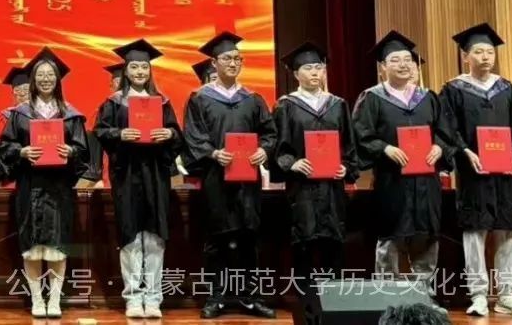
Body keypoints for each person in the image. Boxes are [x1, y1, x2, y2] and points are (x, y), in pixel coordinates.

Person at [441, 23, 512, 317]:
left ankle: (507, 294)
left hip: (504, 171)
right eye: (479, 52)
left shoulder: (508, 88)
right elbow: (448, 130)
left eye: (490, 52)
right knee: (475, 230)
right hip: (473, 170)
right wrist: (465, 151)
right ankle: (479, 294)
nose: (485, 57)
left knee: (508, 228)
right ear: (465, 56)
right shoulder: (453, 89)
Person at [182, 32, 276, 319]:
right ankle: (216, 297)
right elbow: (193, 136)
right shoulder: (200, 98)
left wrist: (263, 150)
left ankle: (251, 297)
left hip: (248, 179)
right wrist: (213, 153)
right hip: (216, 178)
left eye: (237, 59)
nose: (233, 63)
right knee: (217, 238)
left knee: (249, 236)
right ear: (214, 63)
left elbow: (270, 133)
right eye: (227, 58)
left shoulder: (253, 99)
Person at [352, 31, 452, 299]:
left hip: (426, 182)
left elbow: (445, 132)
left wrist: (439, 147)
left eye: (408, 59)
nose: (403, 65)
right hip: (392, 181)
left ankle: (423, 296)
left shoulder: (428, 97)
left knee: (426, 236)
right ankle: (388, 297)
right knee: (391, 237)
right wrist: (385, 148)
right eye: (395, 60)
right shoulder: (372, 98)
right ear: (382, 67)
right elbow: (361, 135)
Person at [0, 48, 89, 317]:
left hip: (59, 188)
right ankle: (36, 298)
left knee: (57, 246)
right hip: (30, 185)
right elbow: (5, 146)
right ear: (33, 80)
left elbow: (83, 151)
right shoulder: (20, 114)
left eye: (50, 75)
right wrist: (21, 152)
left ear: (58, 80)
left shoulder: (70, 114)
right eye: (40, 75)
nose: (45, 79)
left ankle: (54, 299)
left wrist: (71, 151)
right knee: (32, 247)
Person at [269, 42, 358, 323]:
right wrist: (292, 164)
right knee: (304, 245)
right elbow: (277, 147)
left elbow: (349, 145)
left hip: (332, 188)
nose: (315, 72)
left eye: (319, 67)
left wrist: (346, 167)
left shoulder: (338, 105)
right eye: (308, 68)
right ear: (296, 74)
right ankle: (306, 308)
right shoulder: (286, 106)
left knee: (334, 244)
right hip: (302, 190)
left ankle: (334, 305)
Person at [94, 39, 182, 319]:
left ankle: (153, 297)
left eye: (144, 66)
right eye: (134, 67)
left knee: (154, 238)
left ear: (150, 70)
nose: (140, 71)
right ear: (126, 70)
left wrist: (169, 134)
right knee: (131, 237)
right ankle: (133, 297)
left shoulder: (162, 102)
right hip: (127, 175)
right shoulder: (113, 103)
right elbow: (100, 132)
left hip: (155, 175)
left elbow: (177, 135)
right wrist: (120, 134)